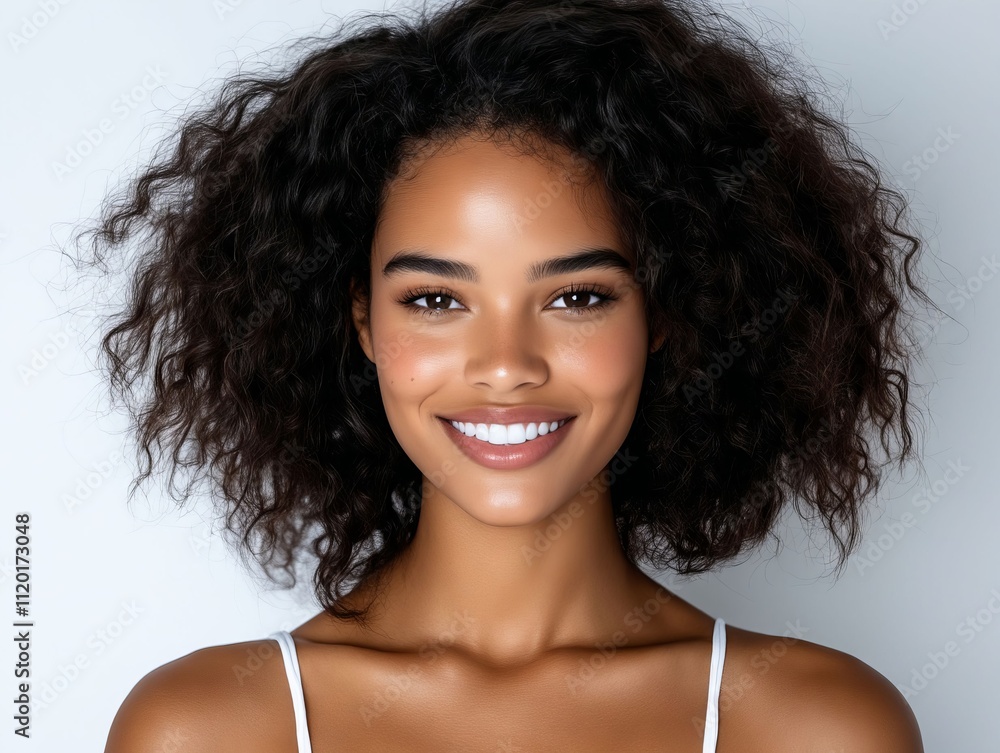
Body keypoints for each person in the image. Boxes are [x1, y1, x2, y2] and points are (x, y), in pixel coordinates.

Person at [81, 0, 935, 750]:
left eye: (576, 295)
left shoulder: (815, 729)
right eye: (435, 299)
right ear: (361, 321)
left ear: (668, 312)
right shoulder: (207, 730)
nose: (505, 365)